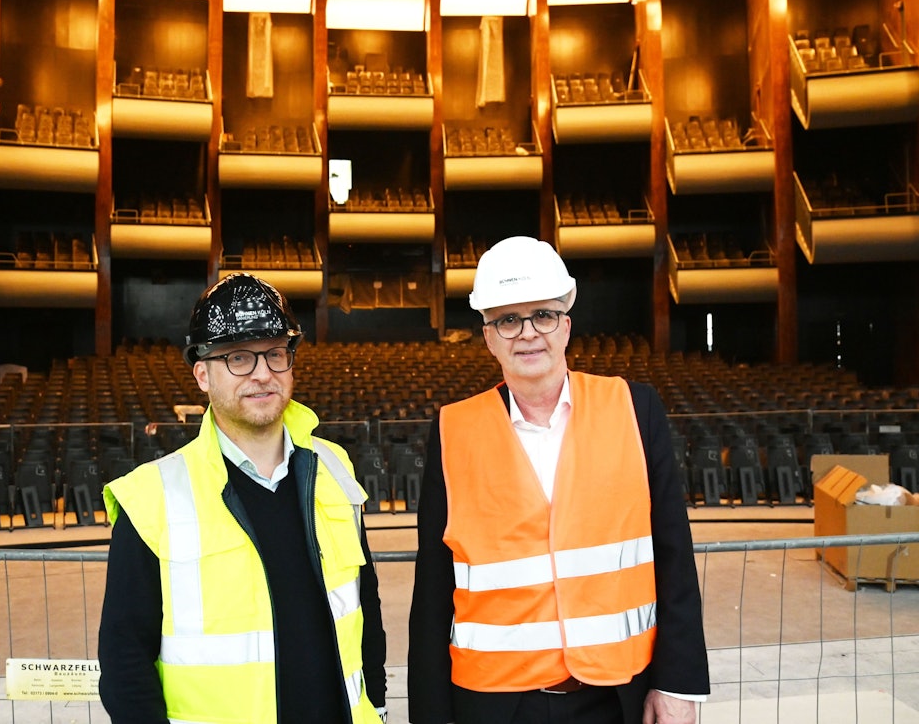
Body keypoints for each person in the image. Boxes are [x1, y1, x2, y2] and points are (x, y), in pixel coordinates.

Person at [408, 236, 709, 724]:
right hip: (494, 705)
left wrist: (678, 682)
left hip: (616, 696)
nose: (527, 333)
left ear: (566, 326)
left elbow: (673, 553)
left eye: (543, 315)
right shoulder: (452, 431)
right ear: (488, 335)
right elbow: (433, 591)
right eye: (508, 319)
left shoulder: (635, 409)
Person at [99, 272, 388, 724]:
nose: (262, 374)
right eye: (238, 358)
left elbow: (362, 603)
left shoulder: (334, 467)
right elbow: (124, 662)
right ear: (202, 374)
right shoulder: (152, 495)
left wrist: (380, 704)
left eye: (275, 354)